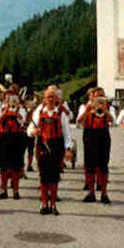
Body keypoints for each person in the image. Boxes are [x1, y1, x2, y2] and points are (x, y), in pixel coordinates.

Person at [31, 86, 74, 215]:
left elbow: (66, 133)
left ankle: (53, 204)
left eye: (52, 97)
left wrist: (68, 149)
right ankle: (44, 204)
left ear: (56, 98)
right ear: (44, 98)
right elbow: (29, 129)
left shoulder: (61, 113)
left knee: (54, 177)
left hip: (56, 146)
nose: (50, 99)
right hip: (42, 145)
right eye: (48, 97)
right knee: (43, 176)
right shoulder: (38, 112)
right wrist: (33, 131)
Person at [79, 86, 114, 204]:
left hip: (103, 136)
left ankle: (104, 193)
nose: (99, 97)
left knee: (103, 165)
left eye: (101, 95)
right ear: (92, 96)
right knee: (90, 166)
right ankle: (91, 193)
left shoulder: (108, 107)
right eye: (97, 95)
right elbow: (79, 120)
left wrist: (105, 109)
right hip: (90, 136)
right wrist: (88, 110)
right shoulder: (86, 107)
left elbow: (111, 120)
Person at [0, 91, 28, 200]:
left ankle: (16, 190)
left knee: (16, 167)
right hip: (4, 138)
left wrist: (16, 112)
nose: (11, 102)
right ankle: (3, 190)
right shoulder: (0, 110)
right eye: (9, 100)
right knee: (4, 167)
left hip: (17, 138)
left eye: (14, 100)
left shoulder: (21, 110)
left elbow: (22, 121)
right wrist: (5, 112)